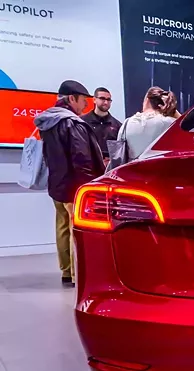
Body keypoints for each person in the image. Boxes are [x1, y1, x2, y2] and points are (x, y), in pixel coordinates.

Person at [34, 80, 105, 287]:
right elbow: (81, 158)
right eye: (83, 100)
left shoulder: (48, 122)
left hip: (56, 184)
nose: (85, 106)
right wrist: (88, 189)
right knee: (78, 230)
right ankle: (77, 275)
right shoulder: (71, 123)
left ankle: (66, 271)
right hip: (75, 186)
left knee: (62, 227)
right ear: (71, 98)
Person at [118, 87, 180, 160]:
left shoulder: (127, 123)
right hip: (163, 169)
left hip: (133, 170)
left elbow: (119, 154)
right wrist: (173, 112)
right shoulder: (172, 123)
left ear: (147, 100)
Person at [80, 87, 122, 162]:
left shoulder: (118, 126)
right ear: (94, 100)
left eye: (108, 99)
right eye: (102, 98)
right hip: (88, 167)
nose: (106, 102)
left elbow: (119, 152)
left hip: (109, 169)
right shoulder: (82, 122)